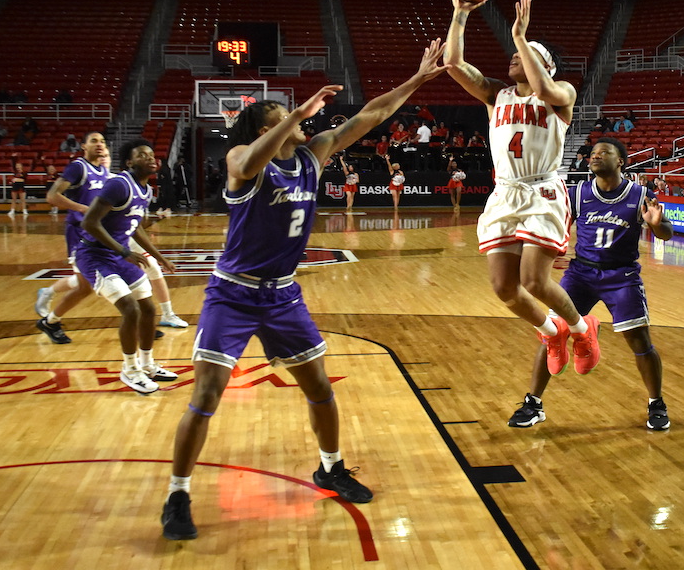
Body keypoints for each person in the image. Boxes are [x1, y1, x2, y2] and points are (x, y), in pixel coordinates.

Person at [161, 42, 445, 542]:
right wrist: (293, 113)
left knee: (319, 388)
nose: (301, 119)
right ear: (268, 127)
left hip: (282, 295)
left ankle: (330, 466)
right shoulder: (241, 160)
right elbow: (248, 159)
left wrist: (418, 79)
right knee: (206, 393)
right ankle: (178, 493)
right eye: (284, 116)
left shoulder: (313, 155)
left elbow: (373, 115)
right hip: (232, 293)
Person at [443, 0, 602, 377]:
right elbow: (452, 63)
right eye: (516, 51)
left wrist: (520, 36)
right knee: (503, 287)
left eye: (526, 53)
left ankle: (583, 330)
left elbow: (545, 88)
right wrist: (460, 13)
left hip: (542, 191)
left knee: (534, 280)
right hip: (505, 192)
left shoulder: (561, 94)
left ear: (544, 65)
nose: (514, 55)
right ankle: (550, 332)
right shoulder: (496, 95)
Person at [508, 138, 675, 431]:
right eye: (593, 153)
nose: (595, 156)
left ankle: (656, 404)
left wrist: (657, 224)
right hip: (581, 274)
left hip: (621, 276)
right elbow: (558, 225)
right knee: (553, 335)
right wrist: (551, 250)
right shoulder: (579, 192)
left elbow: (666, 234)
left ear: (621, 160)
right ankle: (533, 403)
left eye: (604, 152)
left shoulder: (640, 195)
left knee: (640, 341)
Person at [77, 138, 177, 395]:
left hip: (119, 256)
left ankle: (147, 364)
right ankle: (130, 369)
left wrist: (159, 256)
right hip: (95, 255)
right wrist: (122, 251)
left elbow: (136, 229)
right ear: (130, 162)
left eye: (152, 154)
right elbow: (89, 222)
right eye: (143, 155)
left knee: (148, 308)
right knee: (130, 309)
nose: (151, 158)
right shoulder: (119, 184)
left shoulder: (146, 190)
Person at [35, 132, 109, 345]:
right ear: (83, 146)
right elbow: (52, 196)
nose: (99, 144)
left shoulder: (102, 170)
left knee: (92, 283)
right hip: (79, 232)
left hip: (96, 231)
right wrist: (82, 208)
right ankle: (51, 320)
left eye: (102, 141)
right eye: (94, 141)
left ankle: (50, 306)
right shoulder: (78, 167)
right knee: (87, 286)